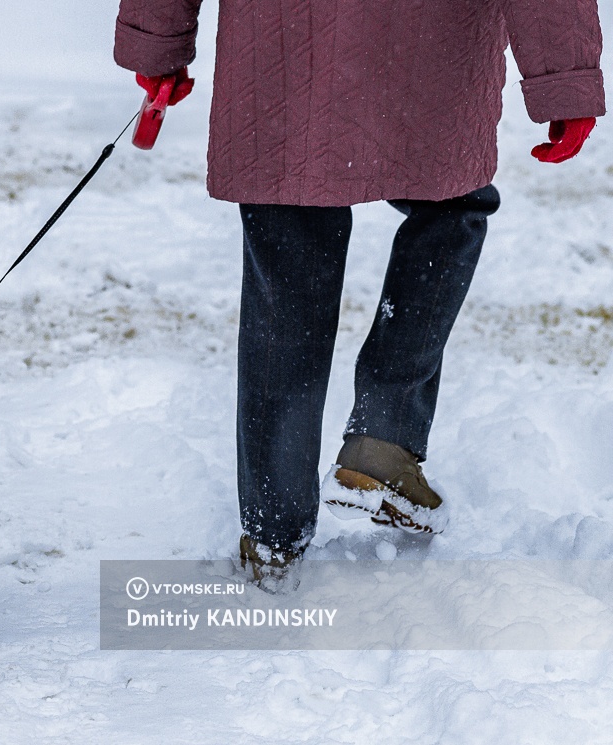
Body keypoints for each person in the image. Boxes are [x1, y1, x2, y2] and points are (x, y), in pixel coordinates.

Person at [114, 0, 605, 589]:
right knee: (451, 205)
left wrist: (158, 42)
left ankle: (273, 534)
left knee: (290, 245)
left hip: (283, 44)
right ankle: (383, 438)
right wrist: (565, 78)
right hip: (430, 40)